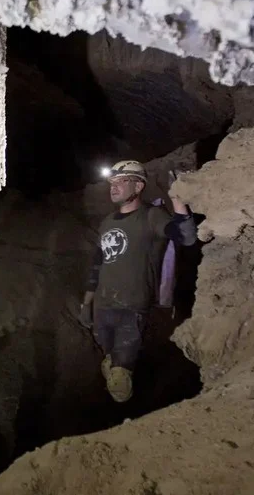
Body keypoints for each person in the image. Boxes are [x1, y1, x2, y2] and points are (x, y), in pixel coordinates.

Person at [80, 160, 198, 402]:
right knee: (109, 358)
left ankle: (126, 429)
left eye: (121, 181)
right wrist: (86, 302)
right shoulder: (107, 222)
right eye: (112, 182)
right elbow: (97, 264)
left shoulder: (152, 216)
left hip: (132, 306)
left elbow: (186, 237)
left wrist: (177, 198)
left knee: (121, 377)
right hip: (103, 305)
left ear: (138, 186)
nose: (113, 187)